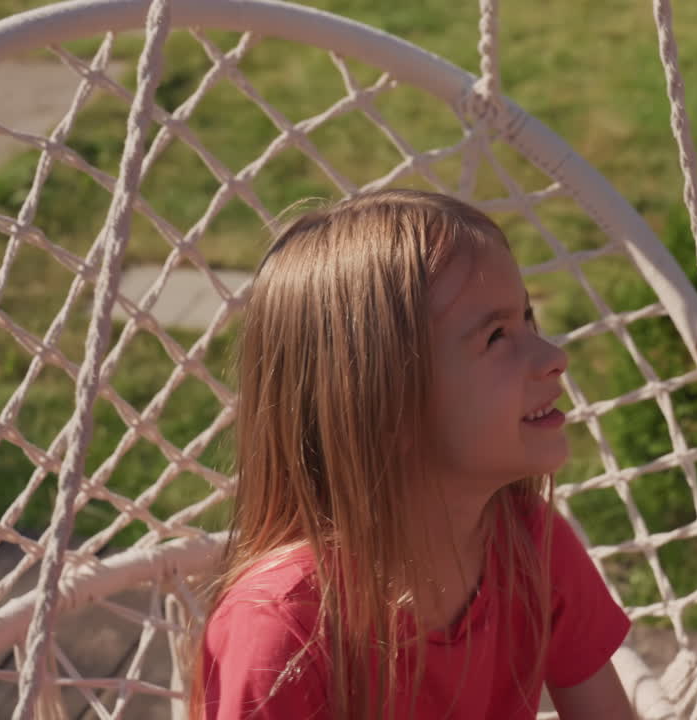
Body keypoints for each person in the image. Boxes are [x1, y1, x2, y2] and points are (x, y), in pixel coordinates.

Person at [193, 189, 635, 719]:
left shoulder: (530, 546)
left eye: (528, 320)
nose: (554, 357)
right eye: (497, 336)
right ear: (385, 405)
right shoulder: (283, 630)